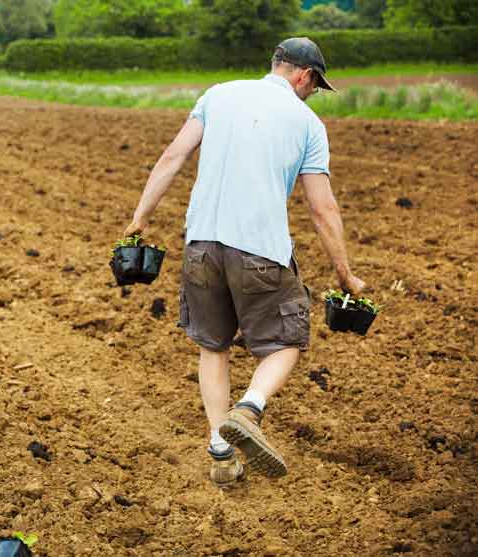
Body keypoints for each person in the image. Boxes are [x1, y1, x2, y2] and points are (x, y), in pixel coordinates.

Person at [123, 37, 365, 488]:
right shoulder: (307, 122)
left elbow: (173, 156)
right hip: (260, 248)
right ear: (304, 76)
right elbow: (322, 208)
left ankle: (220, 450)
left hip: (201, 245)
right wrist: (345, 274)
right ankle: (249, 408)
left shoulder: (218, 95)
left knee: (212, 346)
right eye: (315, 86)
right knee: (286, 339)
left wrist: (138, 220)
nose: (313, 94)